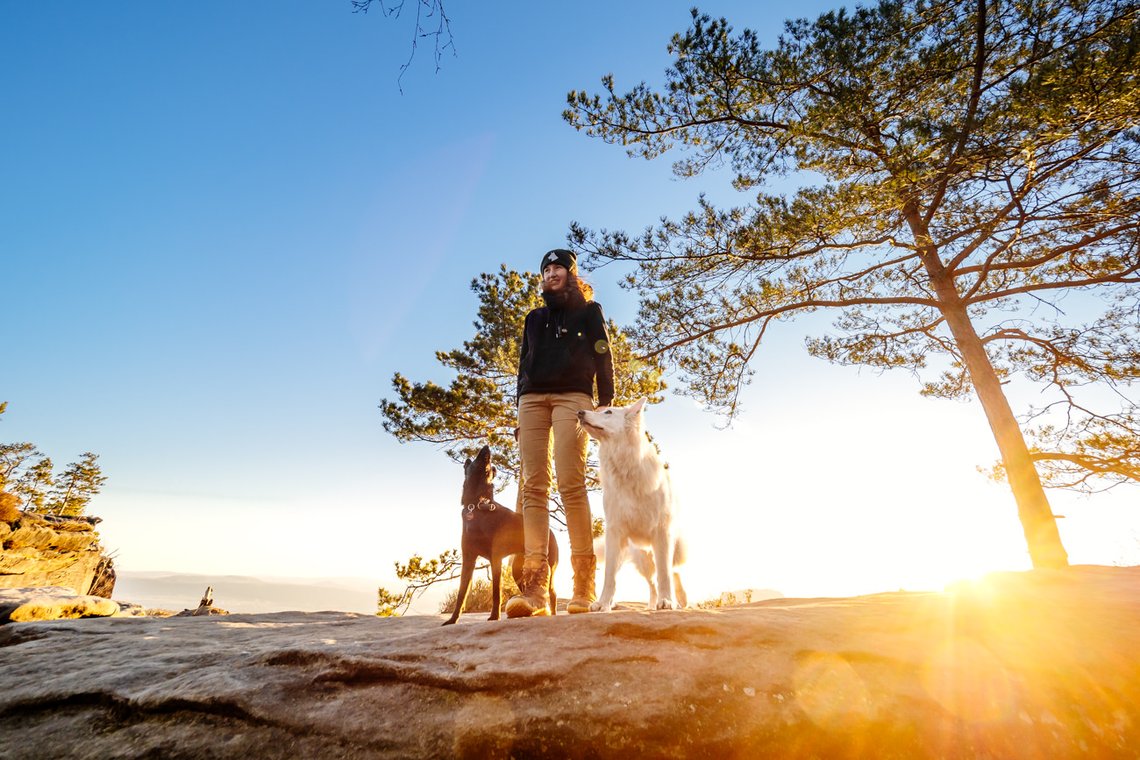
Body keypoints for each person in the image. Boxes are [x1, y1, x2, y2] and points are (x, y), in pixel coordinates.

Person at [506, 248, 614, 618]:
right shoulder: (533, 318)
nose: (551, 274)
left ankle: (583, 585)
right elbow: (523, 364)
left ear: (571, 274)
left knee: (570, 483)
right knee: (533, 487)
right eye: (546, 269)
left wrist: (606, 401)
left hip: (575, 397)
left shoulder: (589, 311)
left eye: (558, 268)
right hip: (532, 401)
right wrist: (519, 408)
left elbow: (603, 351)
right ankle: (535, 587)